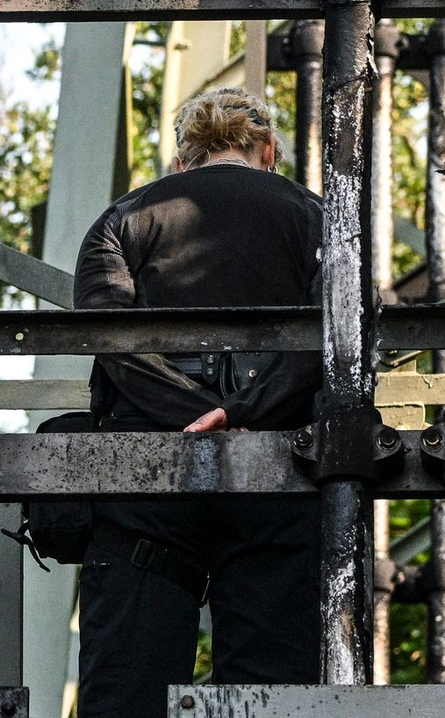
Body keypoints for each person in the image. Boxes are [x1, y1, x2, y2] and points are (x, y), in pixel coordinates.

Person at [73, 86, 324, 717]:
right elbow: (337, 339)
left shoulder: (122, 220)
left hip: (149, 474)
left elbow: (112, 341)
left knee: (129, 689)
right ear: (269, 150)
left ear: (181, 161)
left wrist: (193, 412)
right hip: (279, 469)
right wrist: (241, 412)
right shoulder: (320, 219)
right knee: (272, 693)